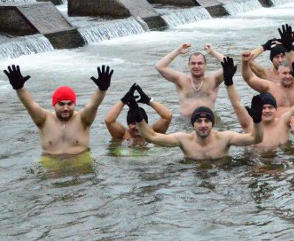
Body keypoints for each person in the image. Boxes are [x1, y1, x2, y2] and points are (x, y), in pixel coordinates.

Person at [135, 57, 263, 160]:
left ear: (212, 123)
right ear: (193, 124)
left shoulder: (224, 138)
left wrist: (257, 121)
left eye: (206, 121)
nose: (203, 125)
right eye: (199, 121)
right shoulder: (184, 140)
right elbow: (151, 137)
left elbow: (255, 139)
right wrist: (138, 118)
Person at [4, 64, 112, 158]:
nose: (65, 108)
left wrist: (102, 89)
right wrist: (19, 88)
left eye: (69, 104)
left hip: (80, 162)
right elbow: (29, 104)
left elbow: (94, 105)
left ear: (74, 104)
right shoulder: (44, 119)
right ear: (54, 104)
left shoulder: (83, 119)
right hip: (51, 164)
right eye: (61, 104)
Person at [243, 58, 294, 151]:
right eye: (285, 73)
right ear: (278, 74)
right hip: (275, 129)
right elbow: (249, 78)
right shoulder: (270, 87)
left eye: (290, 73)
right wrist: (245, 62)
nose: (288, 76)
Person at [155, 43, 225, 117]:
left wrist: (213, 52)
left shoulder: (213, 80)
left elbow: (230, 66)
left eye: (200, 63)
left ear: (205, 65)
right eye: (193, 63)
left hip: (208, 122)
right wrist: (177, 51)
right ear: (189, 65)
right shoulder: (181, 79)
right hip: (186, 122)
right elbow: (159, 66)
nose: (196, 66)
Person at [105, 83, 172, 144]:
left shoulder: (154, 132)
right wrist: (123, 100)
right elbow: (109, 121)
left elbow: (167, 116)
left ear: (146, 123)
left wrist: (148, 100)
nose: (137, 127)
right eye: (134, 123)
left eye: (140, 122)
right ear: (128, 124)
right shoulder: (123, 135)